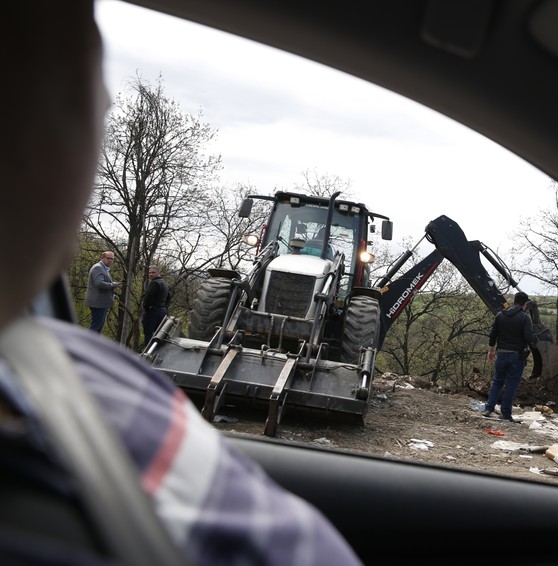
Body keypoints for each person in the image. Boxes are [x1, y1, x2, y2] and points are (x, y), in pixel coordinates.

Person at [0, 2, 361, 564]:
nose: (104, 107)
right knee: (229, 284)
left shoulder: (66, 365)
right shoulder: (89, 376)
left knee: (358, 307)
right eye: (91, 97)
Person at [483, 291, 538, 422]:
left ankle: (488, 408)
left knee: (497, 381)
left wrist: (491, 350)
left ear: (514, 301)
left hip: (501, 353)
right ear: (525, 304)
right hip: (516, 355)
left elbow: (493, 334)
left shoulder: (501, 315)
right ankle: (505, 413)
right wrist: (535, 343)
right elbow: (529, 337)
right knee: (511, 384)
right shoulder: (524, 318)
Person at [84, 250, 122, 333]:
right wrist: (113, 285)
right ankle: (89, 344)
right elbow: (99, 283)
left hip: (101, 303)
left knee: (98, 326)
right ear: (102, 257)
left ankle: (92, 344)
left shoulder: (104, 268)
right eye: (108, 258)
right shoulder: (98, 267)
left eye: (112, 259)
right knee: (96, 327)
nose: (110, 260)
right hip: (98, 303)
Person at [141, 265, 169, 347]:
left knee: (149, 334)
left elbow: (149, 296)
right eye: (149, 273)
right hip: (162, 310)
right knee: (159, 334)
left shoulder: (155, 283)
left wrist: (146, 307)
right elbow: (168, 297)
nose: (151, 274)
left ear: (158, 273)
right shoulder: (164, 283)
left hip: (152, 311)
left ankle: (147, 354)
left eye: (153, 272)